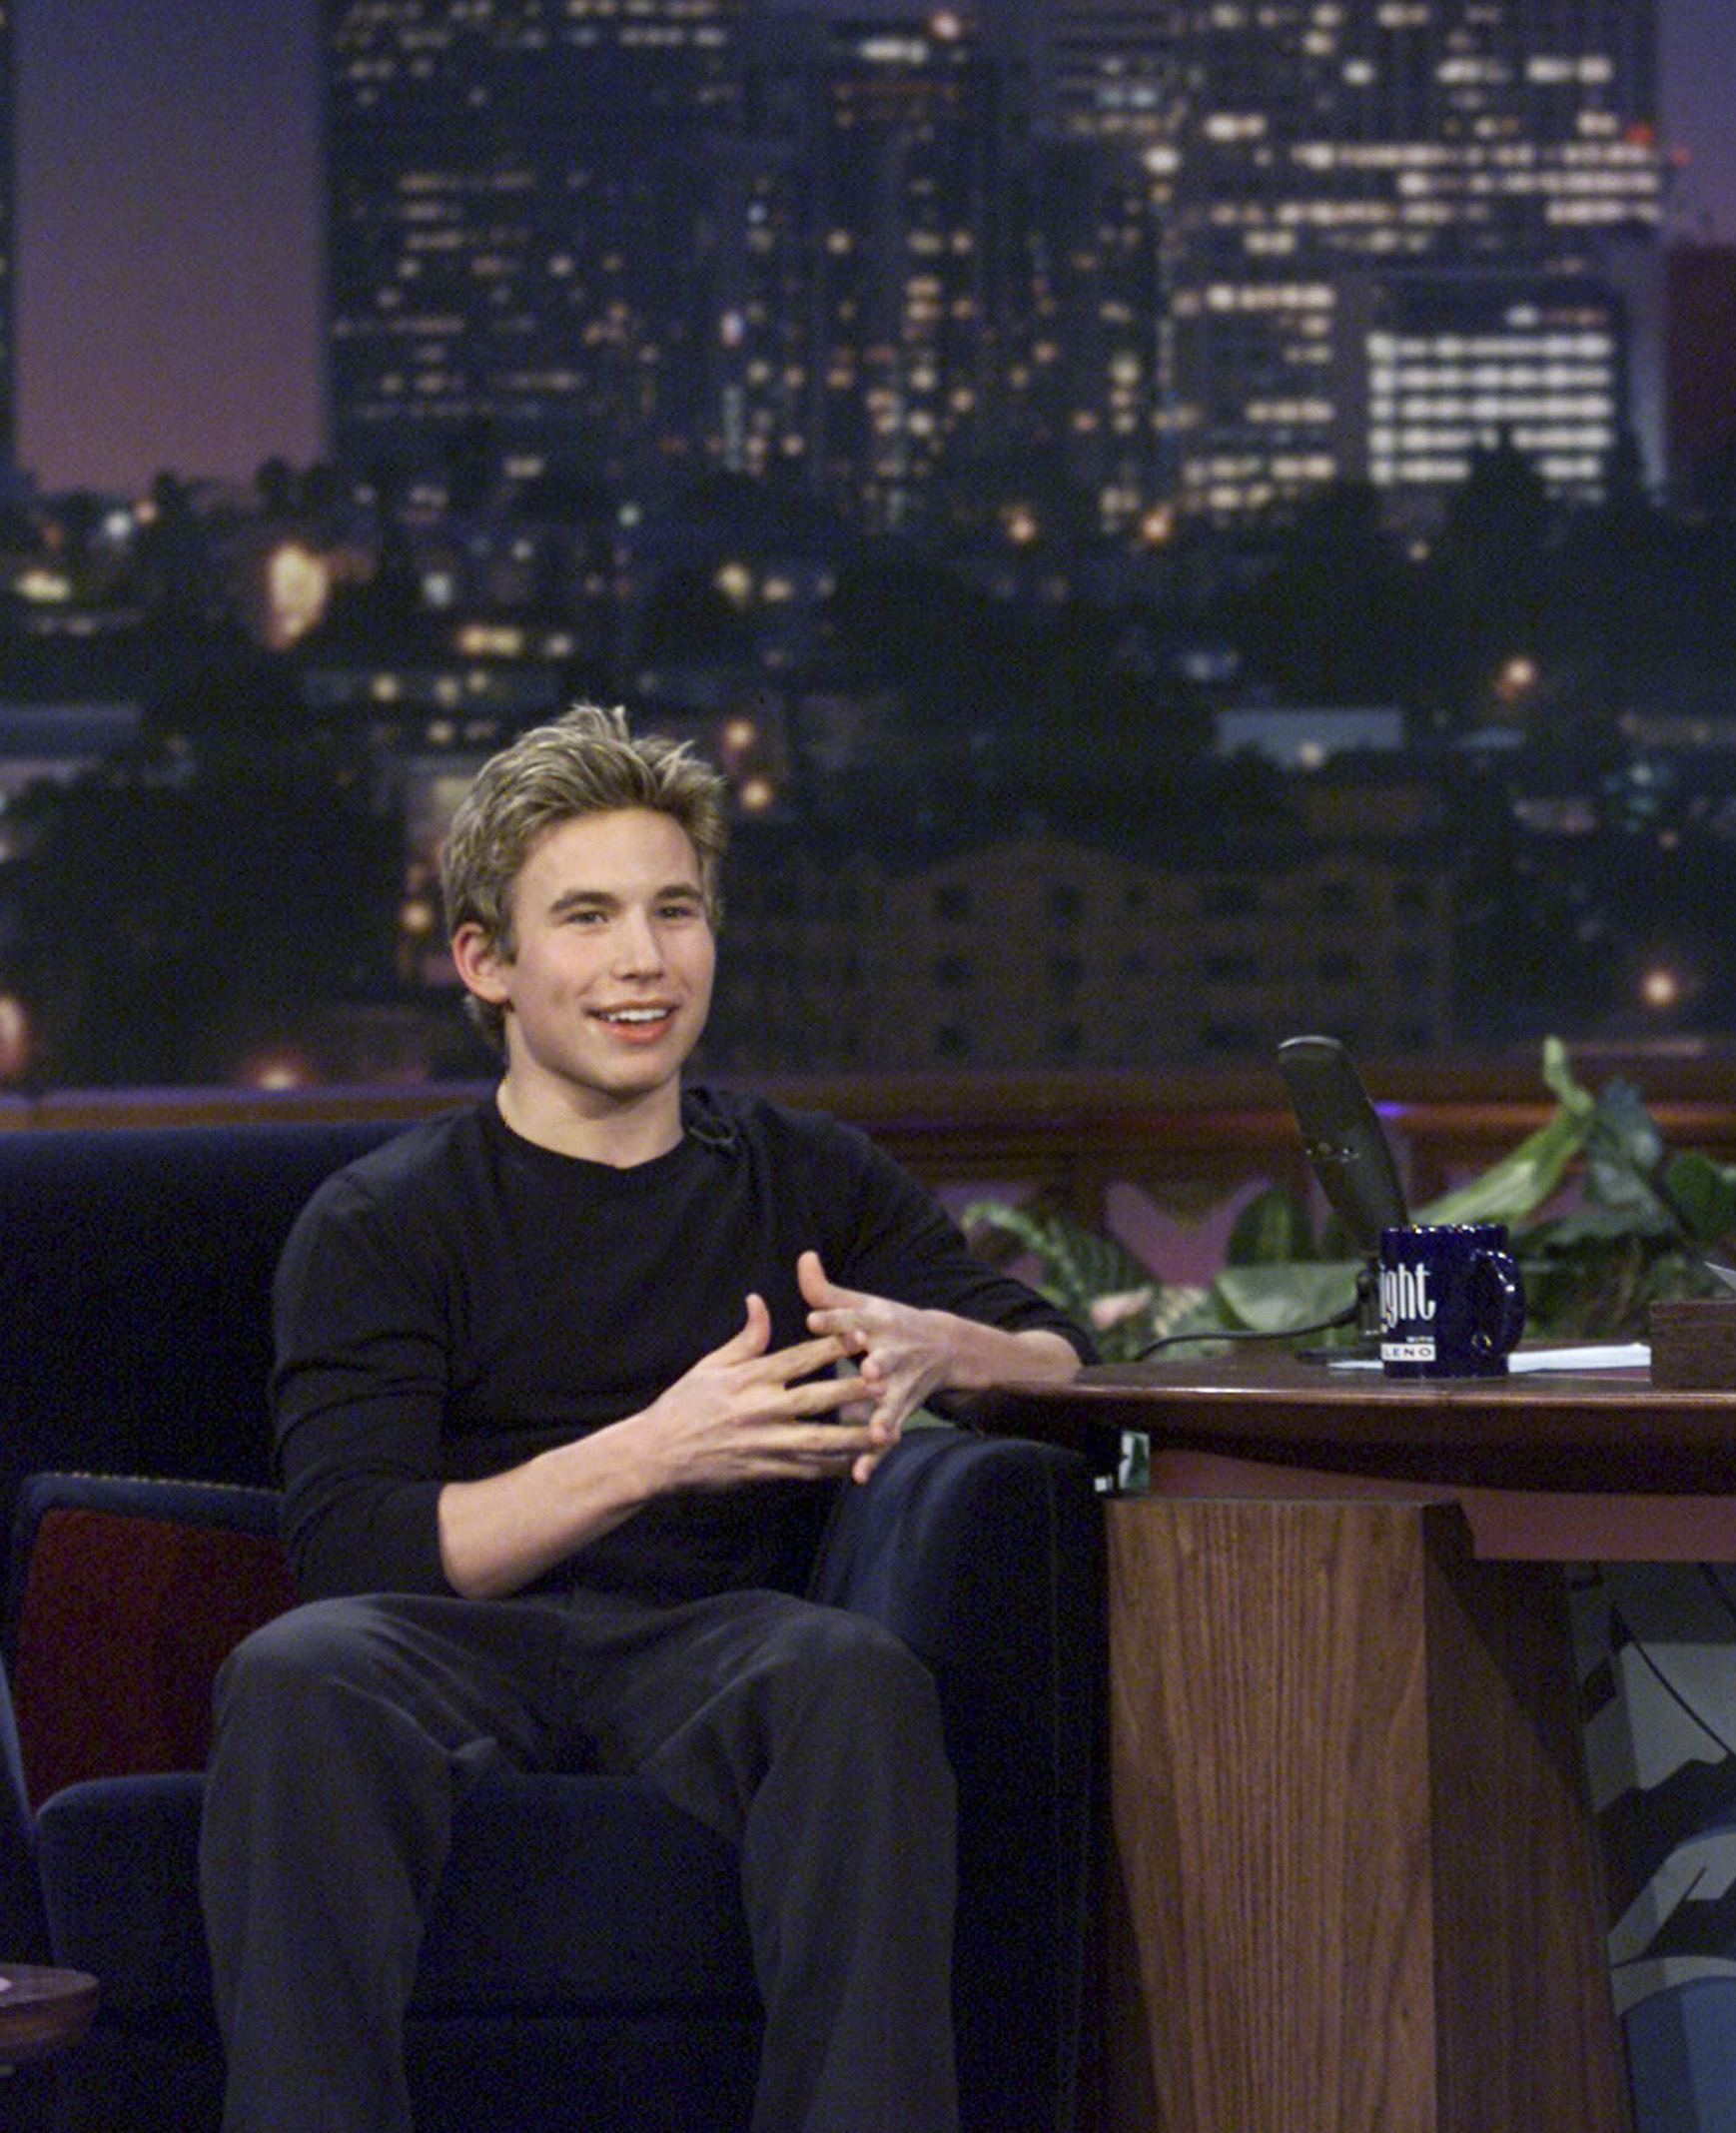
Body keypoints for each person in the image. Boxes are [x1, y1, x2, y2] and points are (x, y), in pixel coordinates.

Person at [200, 705, 1092, 2133]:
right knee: (299, 1671)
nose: (643, 961)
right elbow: (360, 1554)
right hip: (453, 1646)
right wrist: (654, 1449)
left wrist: (953, 1339)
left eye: (675, 910)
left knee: (856, 1678)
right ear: (485, 960)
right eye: (590, 916)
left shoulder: (806, 1173)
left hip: (718, 1642)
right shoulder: (382, 1219)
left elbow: (1071, 1354)